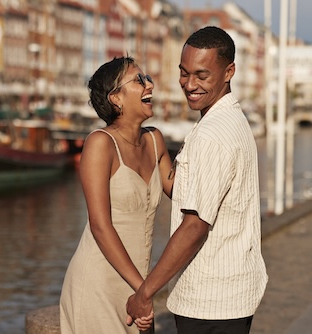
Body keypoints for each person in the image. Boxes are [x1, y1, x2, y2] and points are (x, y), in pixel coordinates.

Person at [126, 26, 268, 333]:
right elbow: (193, 193)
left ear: (229, 71)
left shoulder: (211, 135)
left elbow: (195, 226)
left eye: (202, 75)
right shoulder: (232, 120)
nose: (189, 85)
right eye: (183, 73)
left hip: (211, 299)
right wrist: (158, 152)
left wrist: (145, 292)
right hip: (232, 292)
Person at [59, 56, 174, 333]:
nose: (149, 85)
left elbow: (182, 192)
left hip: (138, 283)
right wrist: (143, 291)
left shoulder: (155, 139)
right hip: (99, 282)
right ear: (116, 98)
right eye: (139, 80)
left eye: (146, 78)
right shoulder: (101, 143)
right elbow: (100, 226)